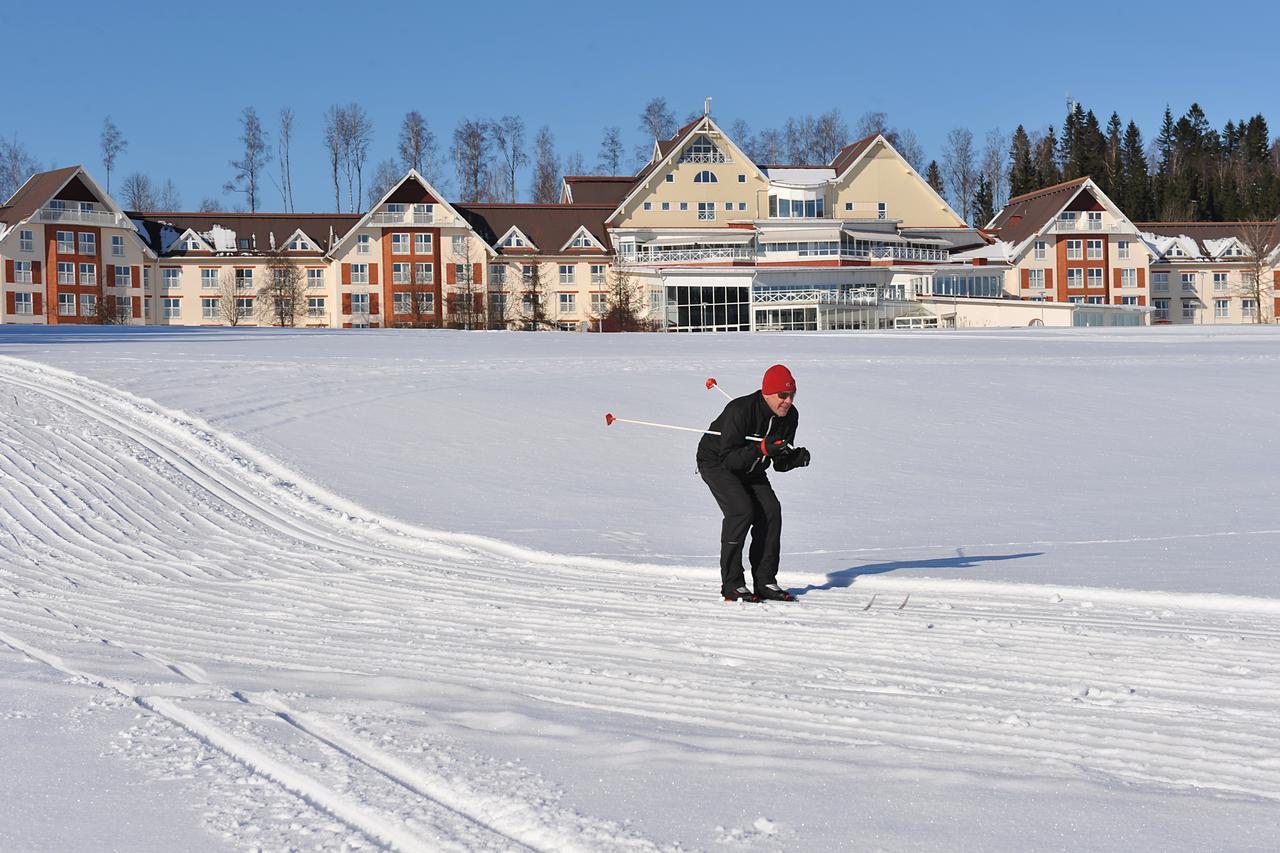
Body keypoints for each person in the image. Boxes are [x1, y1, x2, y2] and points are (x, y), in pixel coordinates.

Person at [696, 364, 810, 602]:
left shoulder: (790, 417)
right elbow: (729, 460)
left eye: (791, 395)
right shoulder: (740, 410)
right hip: (717, 462)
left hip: (753, 466)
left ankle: (765, 580)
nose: (788, 401)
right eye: (782, 395)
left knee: (771, 512)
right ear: (767, 393)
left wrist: (794, 459)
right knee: (741, 511)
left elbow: (778, 462)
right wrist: (760, 448)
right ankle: (732, 583)